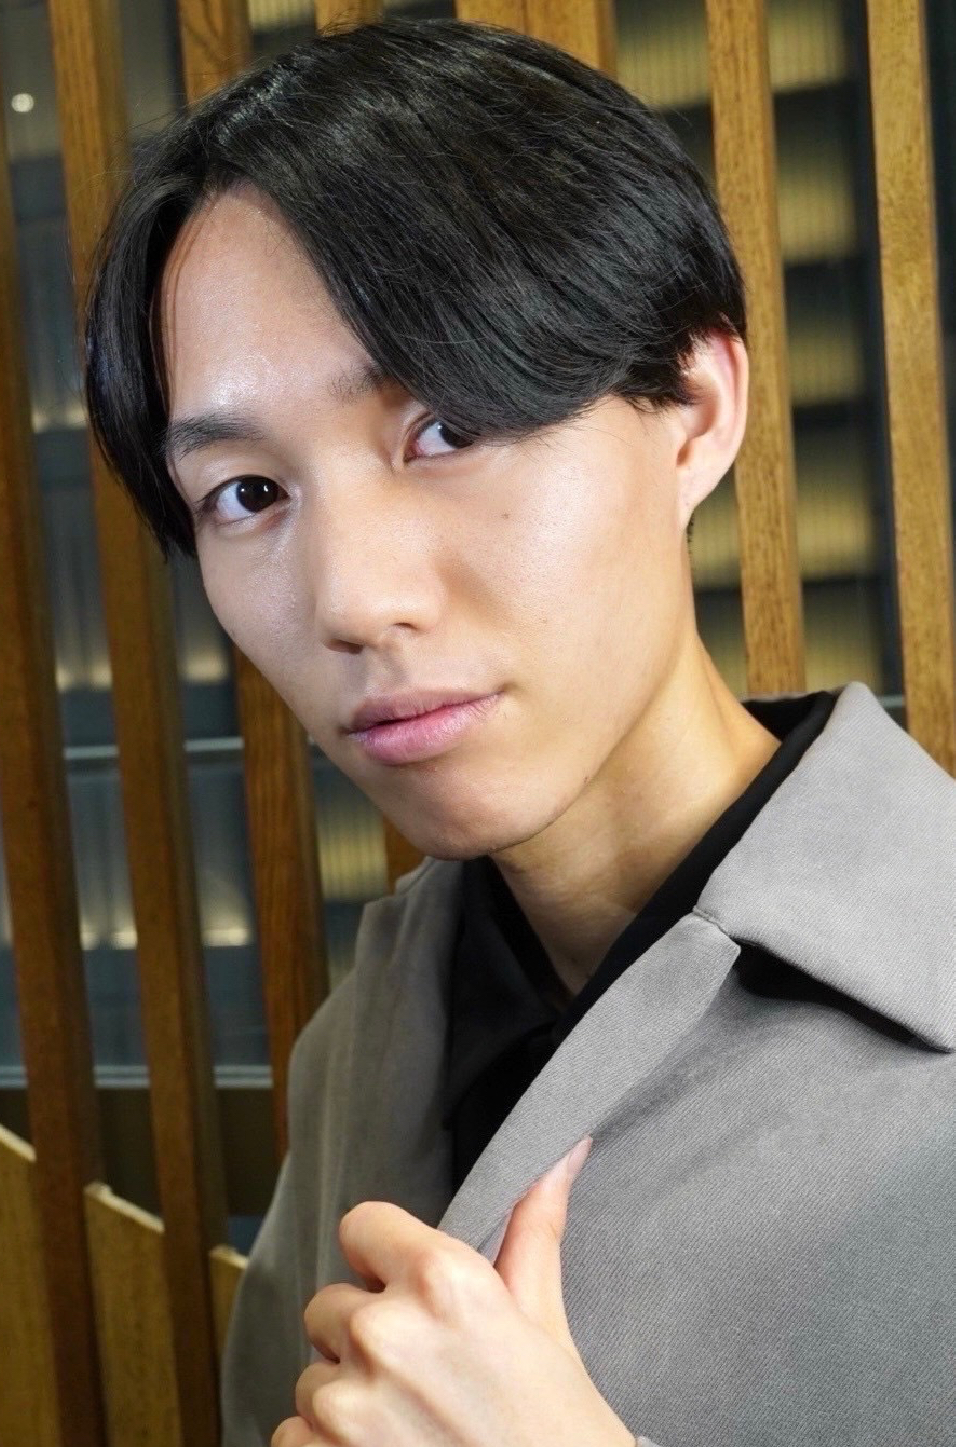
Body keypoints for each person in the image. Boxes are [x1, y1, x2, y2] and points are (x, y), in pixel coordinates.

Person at [81, 15, 956, 1447]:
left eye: (446, 427)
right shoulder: (363, 1038)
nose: (353, 599)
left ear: (692, 408)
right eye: (248, 494)